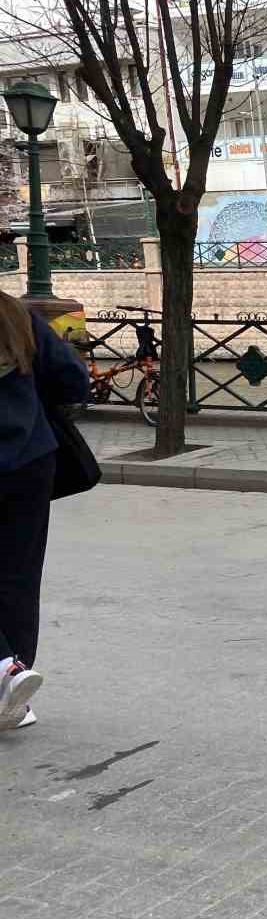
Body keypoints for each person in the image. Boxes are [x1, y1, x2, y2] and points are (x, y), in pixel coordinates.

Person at [0, 290, 91, 732]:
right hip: (30, 461)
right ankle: (14, 690)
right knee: (19, 574)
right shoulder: (17, 314)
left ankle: (7, 672)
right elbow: (73, 380)